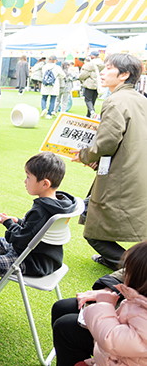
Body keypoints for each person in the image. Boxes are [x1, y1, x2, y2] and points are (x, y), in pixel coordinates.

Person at [72, 53, 147, 270]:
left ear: (124, 75)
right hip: (135, 169)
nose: (102, 72)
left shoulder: (114, 101)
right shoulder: (141, 99)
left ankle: (132, 269)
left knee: (94, 231)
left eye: (108, 68)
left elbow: (106, 143)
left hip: (122, 174)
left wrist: (85, 155)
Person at [0, 152, 77, 302]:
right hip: (43, 256)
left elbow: (21, 239)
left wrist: (9, 224)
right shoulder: (59, 204)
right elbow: (36, 229)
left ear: (45, 184)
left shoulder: (41, 210)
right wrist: (19, 222)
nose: (24, 181)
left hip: (31, 260)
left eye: (28, 177)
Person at [52, 240, 147, 366]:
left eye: (127, 272)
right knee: (62, 308)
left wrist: (105, 305)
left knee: (65, 327)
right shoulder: (139, 301)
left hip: (117, 356)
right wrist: (110, 288)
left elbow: (112, 340)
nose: (124, 275)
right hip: (119, 356)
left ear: (138, 280)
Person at [78, 51, 105, 118]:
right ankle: (89, 115)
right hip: (98, 84)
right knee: (93, 100)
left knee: (87, 99)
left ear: (92, 56)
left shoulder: (89, 64)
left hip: (89, 84)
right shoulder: (102, 64)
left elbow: (83, 75)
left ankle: (92, 112)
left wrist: (79, 78)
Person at [40, 55, 65, 119]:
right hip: (54, 84)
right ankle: (49, 114)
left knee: (44, 98)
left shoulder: (44, 67)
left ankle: (44, 109)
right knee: (53, 99)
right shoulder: (57, 67)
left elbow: (43, 74)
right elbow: (63, 75)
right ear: (54, 60)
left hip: (45, 84)